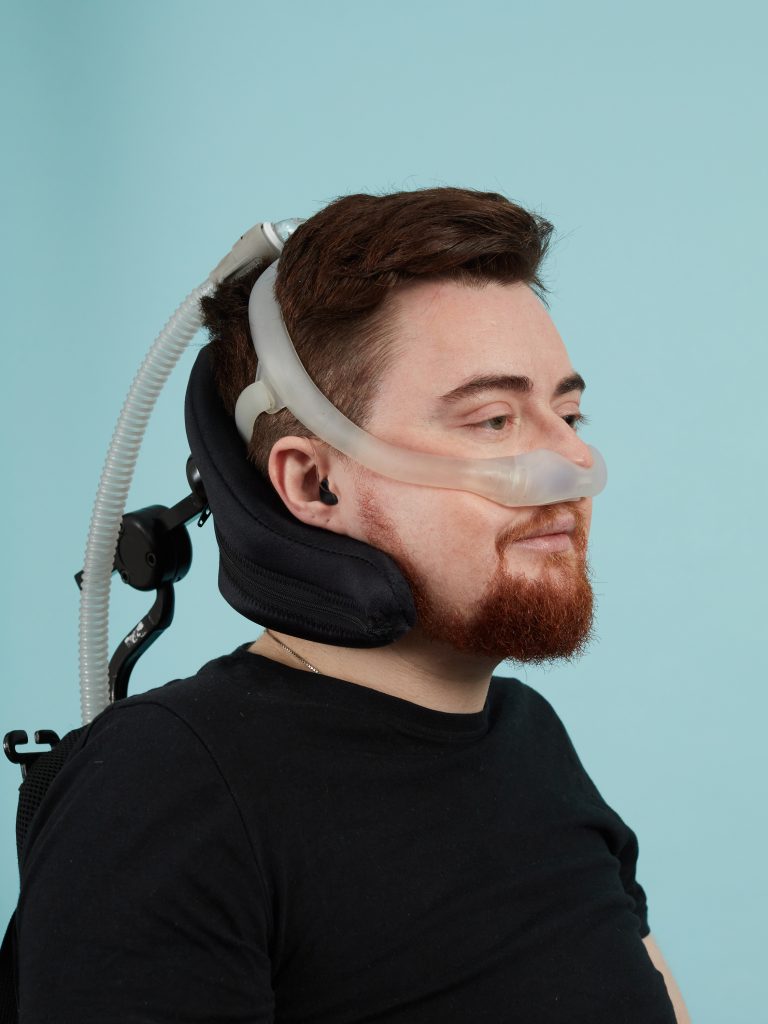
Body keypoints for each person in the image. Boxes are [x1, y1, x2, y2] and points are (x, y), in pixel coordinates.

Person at [15, 187, 690, 1022]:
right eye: (493, 420)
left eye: (569, 410)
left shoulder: (531, 741)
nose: (575, 463)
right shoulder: (167, 788)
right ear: (313, 480)